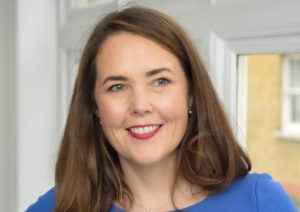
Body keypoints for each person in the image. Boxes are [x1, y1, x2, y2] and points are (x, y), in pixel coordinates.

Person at [26, 6, 298, 212]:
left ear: (192, 94)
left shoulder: (261, 202)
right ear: (94, 106)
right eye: (117, 86)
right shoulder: (56, 208)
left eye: (160, 81)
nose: (140, 106)